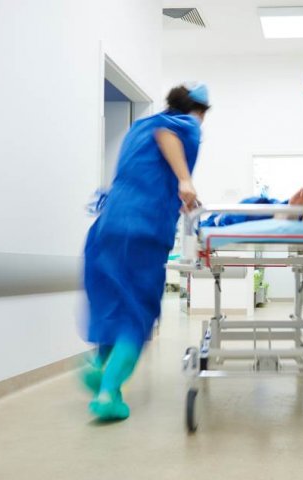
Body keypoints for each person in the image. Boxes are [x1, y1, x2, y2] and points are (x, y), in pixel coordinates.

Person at [81, 83, 210, 421]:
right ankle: (108, 393)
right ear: (198, 111)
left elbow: (146, 171)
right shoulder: (184, 124)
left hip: (108, 223)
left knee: (114, 305)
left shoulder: (138, 127)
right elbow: (168, 135)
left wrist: (178, 197)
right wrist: (185, 180)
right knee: (137, 314)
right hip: (142, 229)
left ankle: (98, 366)